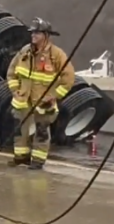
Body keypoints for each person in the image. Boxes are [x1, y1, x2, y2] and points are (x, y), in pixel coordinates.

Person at [6, 18, 74, 170]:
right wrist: (15, 90)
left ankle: (37, 161)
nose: (33, 35)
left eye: (36, 32)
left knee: (42, 131)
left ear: (46, 35)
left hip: (44, 101)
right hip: (22, 99)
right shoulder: (24, 52)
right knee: (19, 130)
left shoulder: (57, 55)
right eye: (32, 32)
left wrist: (55, 96)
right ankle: (20, 157)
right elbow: (11, 73)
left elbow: (69, 78)